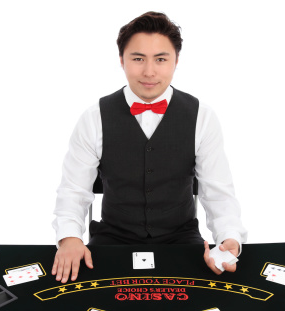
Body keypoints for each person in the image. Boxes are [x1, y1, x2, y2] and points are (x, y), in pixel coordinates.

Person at [52, 11, 247, 283]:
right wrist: (70, 239)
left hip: (182, 240)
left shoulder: (202, 116)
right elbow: (73, 190)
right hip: (111, 239)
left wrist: (229, 239)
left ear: (176, 61)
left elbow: (218, 192)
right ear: (122, 60)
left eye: (161, 59)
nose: (149, 72)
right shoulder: (93, 117)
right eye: (138, 59)